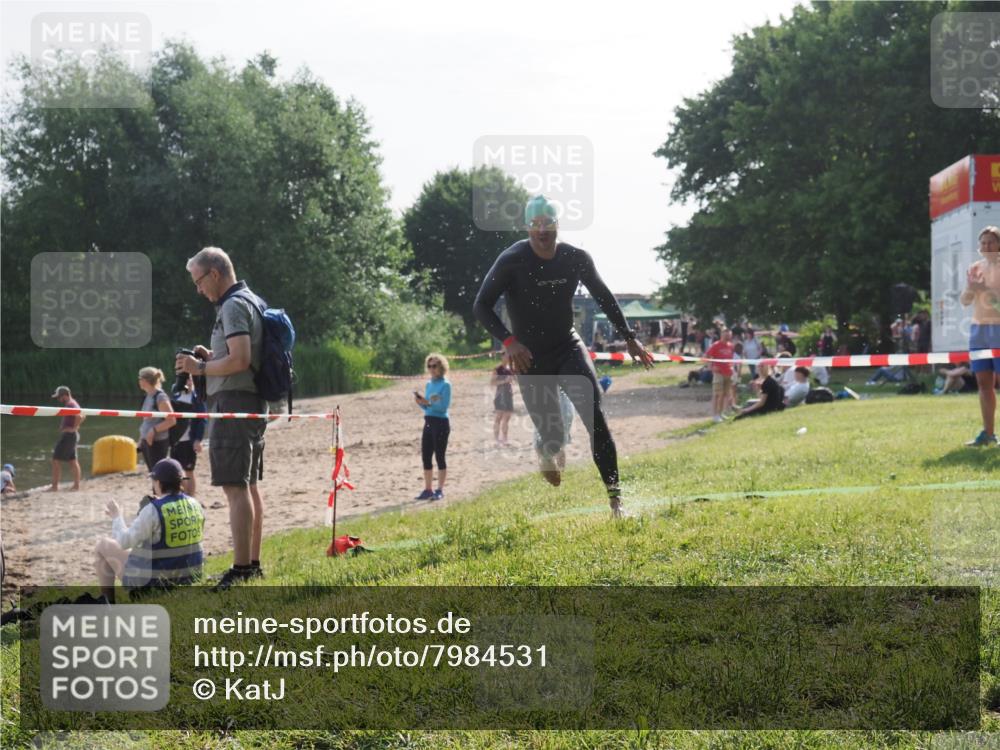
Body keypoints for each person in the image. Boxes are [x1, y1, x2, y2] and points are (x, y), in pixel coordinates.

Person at [473, 195, 654, 517]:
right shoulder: (512, 259)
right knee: (554, 434)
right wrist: (510, 341)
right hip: (530, 357)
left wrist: (630, 339)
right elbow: (481, 305)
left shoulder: (575, 258)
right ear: (527, 227)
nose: (542, 230)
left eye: (548, 223)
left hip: (568, 346)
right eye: (535, 225)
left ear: (558, 225)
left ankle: (616, 500)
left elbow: (603, 296)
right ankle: (545, 449)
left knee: (595, 417)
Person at [175, 246, 268, 589]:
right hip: (251, 401)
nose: (198, 289)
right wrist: (211, 357)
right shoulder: (250, 299)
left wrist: (199, 367)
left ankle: (242, 569)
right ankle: (252, 564)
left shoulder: (232, 305)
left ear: (214, 274)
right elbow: (238, 356)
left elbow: (241, 359)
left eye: (198, 281)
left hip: (234, 402)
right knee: (249, 485)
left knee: (235, 487)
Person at [93, 458, 204, 603]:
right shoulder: (195, 504)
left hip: (155, 585)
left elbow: (124, 542)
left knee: (103, 545)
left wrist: (116, 517)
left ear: (158, 483)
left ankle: (108, 605)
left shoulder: (154, 510)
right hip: (188, 578)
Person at [960, 225, 1000, 446]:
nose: (986, 246)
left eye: (991, 242)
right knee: (983, 383)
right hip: (978, 330)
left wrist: (985, 291)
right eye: (983, 243)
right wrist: (972, 288)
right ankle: (988, 433)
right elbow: (965, 301)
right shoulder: (975, 268)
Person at [415, 353, 451, 500]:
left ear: (441, 367)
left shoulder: (446, 385)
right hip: (428, 422)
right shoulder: (429, 384)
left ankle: (440, 490)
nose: (431, 369)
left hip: (441, 423)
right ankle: (428, 489)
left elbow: (444, 407)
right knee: (426, 456)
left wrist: (428, 403)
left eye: (434, 366)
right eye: (429, 366)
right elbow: (428, 408)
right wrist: (421, 404)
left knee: (440, 456)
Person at [170, 376, 207, 496]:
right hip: (176, 441)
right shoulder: (175, 396)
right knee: (177, 471)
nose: (188, 382)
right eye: (185, 380)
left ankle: (191, 498)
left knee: (189, 471)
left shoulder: (197, 398)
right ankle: (183, 495)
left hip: (188, 441)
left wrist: (198, 440)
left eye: (190, 379)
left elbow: (202, 420)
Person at [137, 367, 176, 471]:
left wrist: (153, 430)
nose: (138, 381)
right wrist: (141, 439)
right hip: (146, 440)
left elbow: (171, 420)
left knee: (158, 474)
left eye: (139, 378)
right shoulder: (148, 395)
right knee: (153, 474)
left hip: (157, 442)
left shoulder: (160, 397)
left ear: (145, 380)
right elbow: (146, 421)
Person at [48, 385, 84, 492]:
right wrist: (75, 427)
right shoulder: (73, 403)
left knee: (55, 459)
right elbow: (83, 415)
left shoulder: (70, 404)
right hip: (71, 436)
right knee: (73, 461)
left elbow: (80, 416)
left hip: (69, 436)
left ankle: (54, 486)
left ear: (65, 395)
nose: (59, 399)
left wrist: (73, 428)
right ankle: (76, 486)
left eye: (59, 397)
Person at [704, 328, 735, 423]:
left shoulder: (731, 346)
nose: (727, 337)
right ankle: (715, 415)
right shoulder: (716, 345)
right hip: (718, 373)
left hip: (728, 373)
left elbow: (731, 359)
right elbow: (707, 356)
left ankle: (720, 414)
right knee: (717, 394)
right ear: (722, 335)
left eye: (729, 335)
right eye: (726, 335)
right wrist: (711, 367)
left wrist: (733, 368)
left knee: (725, 395)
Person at [491, 360, 515, 446]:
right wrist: (505, 381)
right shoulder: (497, 369)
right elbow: (492, 382)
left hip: (508, 395)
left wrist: (512, 379)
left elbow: (514, 381)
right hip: (500, 395)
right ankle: (496, 439)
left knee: (507, 419)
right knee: (499, 418)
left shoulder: (511, 368)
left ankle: (505, 439)